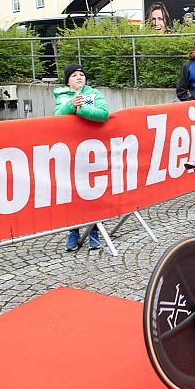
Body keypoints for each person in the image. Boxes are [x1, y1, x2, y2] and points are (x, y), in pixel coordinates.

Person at [54, 64, 109, 251]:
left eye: (82, 75)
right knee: (73, 193)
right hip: (71, 151)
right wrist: (71, 105)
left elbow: (103, 114)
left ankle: (94, 231)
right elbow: (57, 117)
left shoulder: (94, 94)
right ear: (67, 80)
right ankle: (73, 232)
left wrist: (81, 109)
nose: (79, 77)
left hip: (92, 149)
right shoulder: (61, 96)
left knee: (93, 192)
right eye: (74, 75)